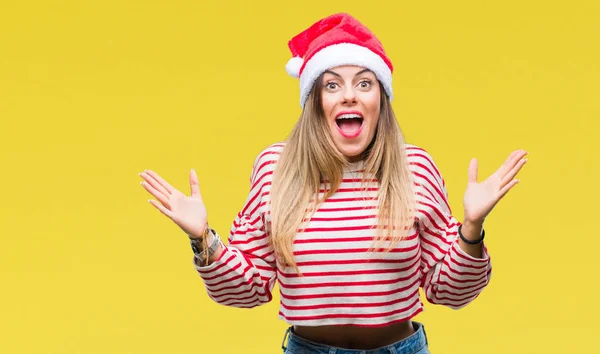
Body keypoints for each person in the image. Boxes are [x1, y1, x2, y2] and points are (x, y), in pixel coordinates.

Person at [139, 13, 527, 354]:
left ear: (381, 99)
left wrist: (471, 230)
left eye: (363, 84)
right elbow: (247, 289)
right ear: (314, 101)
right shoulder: (277, 167)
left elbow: (450, 292)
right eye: (332, 85)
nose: (349, 97)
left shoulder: (415, 168)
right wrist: (202, 238)